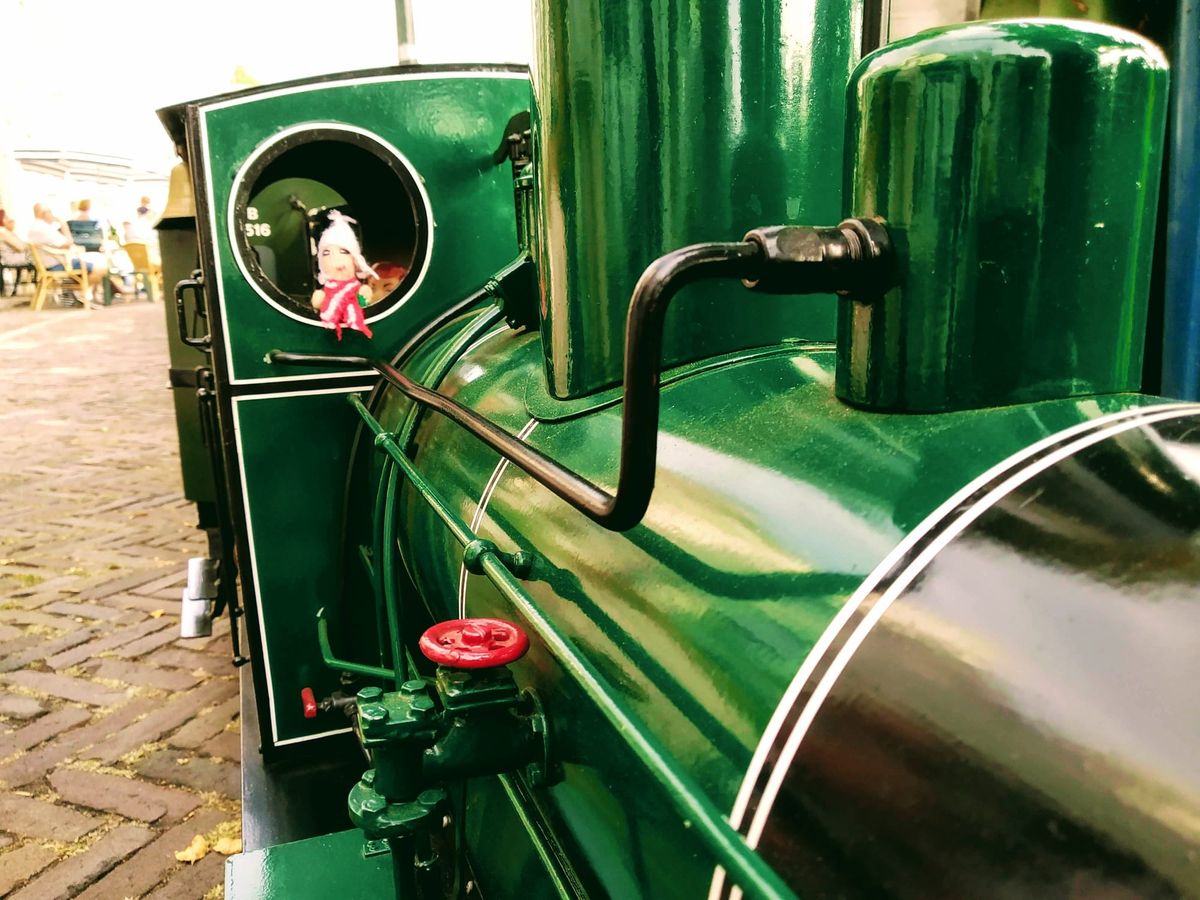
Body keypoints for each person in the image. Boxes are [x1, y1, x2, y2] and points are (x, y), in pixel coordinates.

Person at [309, 210, 376, 340]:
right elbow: (318, 302)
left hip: (357, 338)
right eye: (327, 253)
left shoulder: (358, 289)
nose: (336, 260)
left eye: (344, 252)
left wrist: (362, 298)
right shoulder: (326, 290)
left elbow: (363, 303)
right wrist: (320, 299)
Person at [28, 203, 108, 301]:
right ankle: (82, 293)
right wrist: (64, 225)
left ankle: (82, 294)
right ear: (44, 213)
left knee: (94, 260)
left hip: (51, 263)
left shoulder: (36, 227)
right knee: (101, 268)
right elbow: (68, 243)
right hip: (59, 264)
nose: (52, 216)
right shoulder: (44, 228)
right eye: (50, 212)